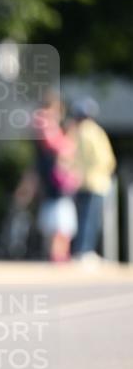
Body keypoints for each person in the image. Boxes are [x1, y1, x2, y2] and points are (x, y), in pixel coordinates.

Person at [32, 92, 79, 262]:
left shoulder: (46, 124)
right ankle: (57, 254)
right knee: (59, 219)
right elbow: (55, 146)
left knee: (62, 219)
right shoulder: (44, 122)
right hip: (55, 180)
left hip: (56, 179)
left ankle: (60, 253)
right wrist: (68, 145)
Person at [69, 98, 117, 258]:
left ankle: (80, 250)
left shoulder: (75, 131)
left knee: (82, 218)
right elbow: (105, 159)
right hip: (96, 182)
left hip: (79, 182)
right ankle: (85, 251)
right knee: (90, 219)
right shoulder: (95, 132)